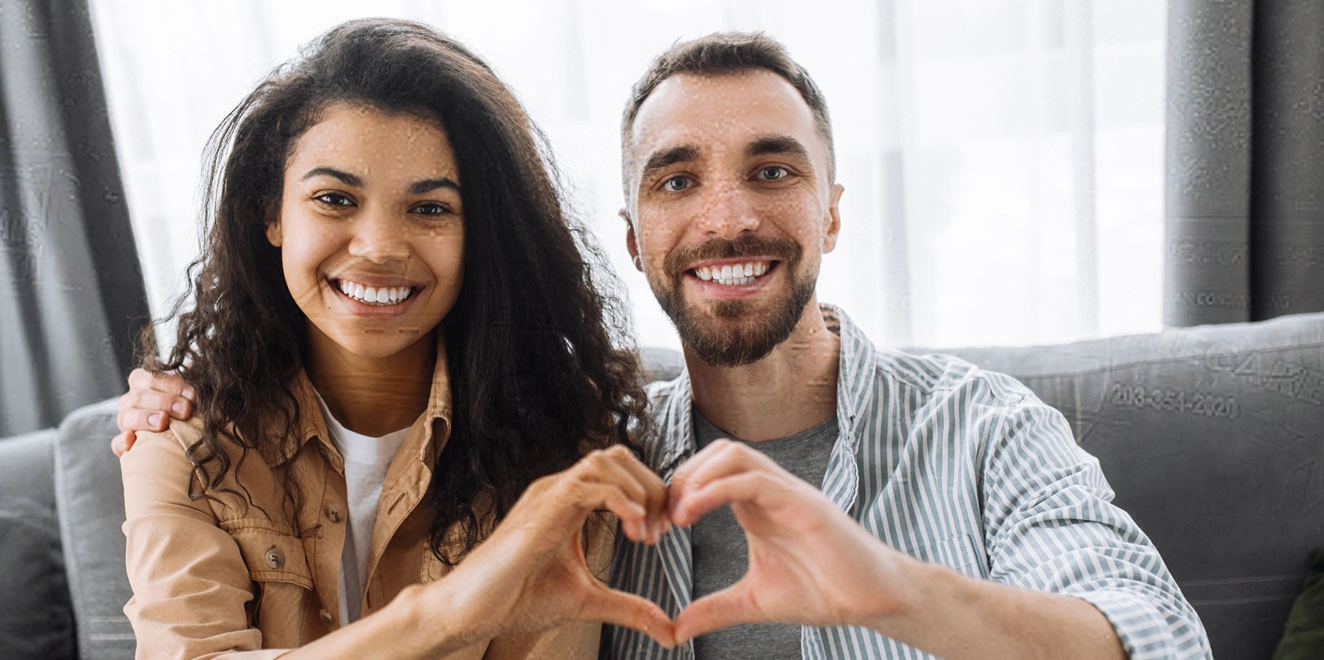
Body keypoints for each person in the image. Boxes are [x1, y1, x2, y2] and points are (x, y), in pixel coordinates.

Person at [118, 30, 1213, 660]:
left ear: (833, 210)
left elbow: (1158, 639)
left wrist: (895, 590)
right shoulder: (590, 466)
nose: (728, 216)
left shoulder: (985, 430)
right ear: (635, 235)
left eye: (774, 170)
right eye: (678, 179)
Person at [116, 19, 682, 659]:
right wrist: (444, 617)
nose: (380, 248)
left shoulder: (564, 447)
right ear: (271, 214)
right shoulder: (183, 438)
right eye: (334, 198)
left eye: (431, 209)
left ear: (481, 236)